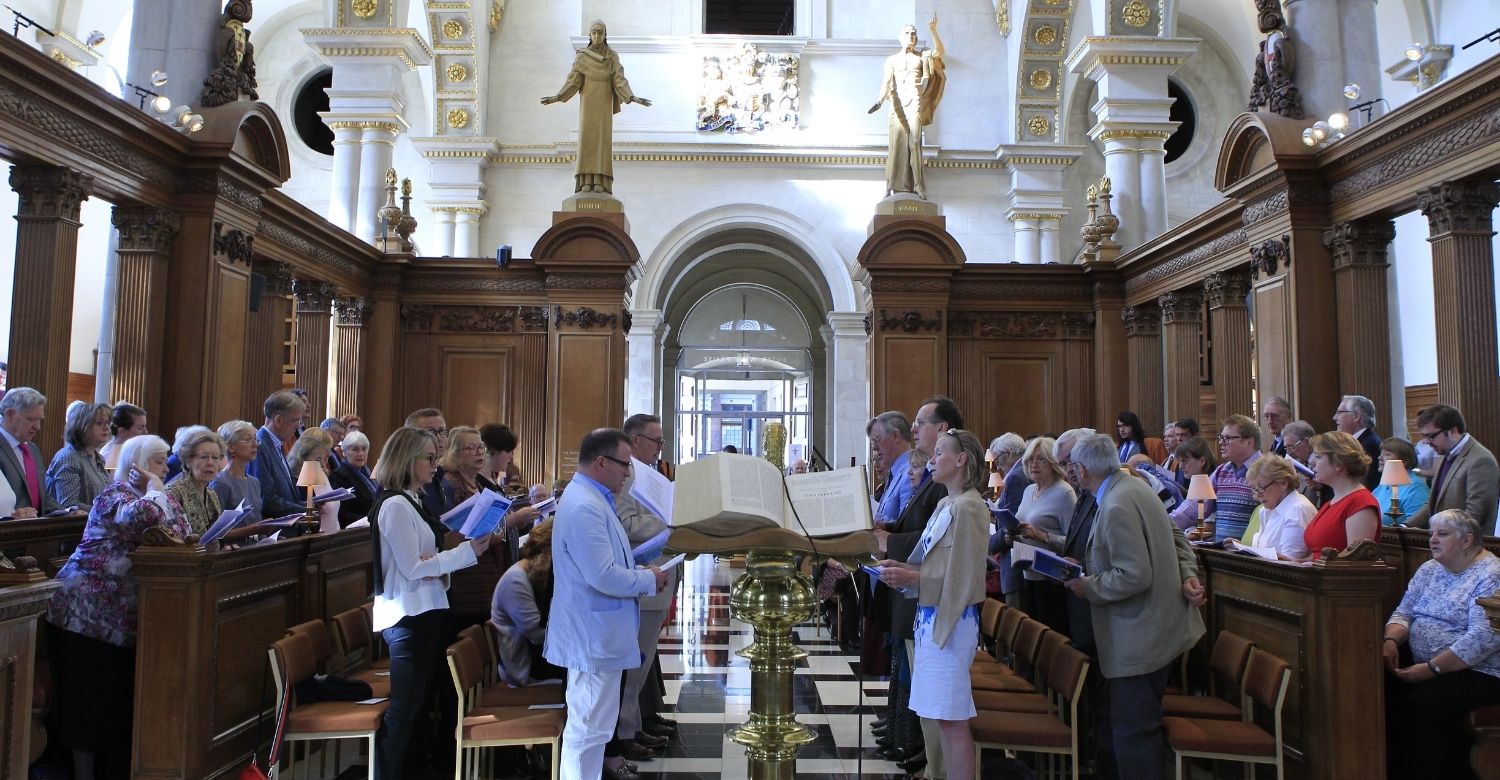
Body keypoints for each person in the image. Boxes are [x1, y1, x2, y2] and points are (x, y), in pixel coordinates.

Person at [46, 434, 190, 780]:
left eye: (165, 462)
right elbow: (140, 519)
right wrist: (156, 488)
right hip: (86, 613)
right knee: (88, 700)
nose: (164, 469)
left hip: (120, 616)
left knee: (112, 699)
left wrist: (158, 491)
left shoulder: (156, 497)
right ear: (136, 464)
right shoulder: (115, 494)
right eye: (157, 462)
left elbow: (181, 529)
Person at [1063, 433, 1205, 780]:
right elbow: (1176, 538)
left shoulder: (1116, 503)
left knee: (1134, 733)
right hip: (1152, 631)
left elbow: (1134, 575)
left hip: (1139, 638)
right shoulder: (1134, 487)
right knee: (1125, 727)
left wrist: (1087, 586)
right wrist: (1187, 573)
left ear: (1082, 470)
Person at [369, 426, 492, 780]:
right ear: (407, 460)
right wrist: (465, 553)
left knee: (419, 705)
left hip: (427, 608)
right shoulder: (394, 505)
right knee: (405, 708)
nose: (435, 465)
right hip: (408, 614)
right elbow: (412, 567)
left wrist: (461, 552)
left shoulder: (412, 499)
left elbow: (428, 557)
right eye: (428, 457)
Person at [543, 428, 665, 780]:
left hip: (599, 632)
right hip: (591, 635)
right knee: (588, 728)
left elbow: (606, 564)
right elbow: (602, 576)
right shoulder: (583, 505)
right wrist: (646, 579)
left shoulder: (594, 498)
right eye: (624, 465)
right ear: (601, 462)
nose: (628, 473)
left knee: (595, 727)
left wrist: (639, 567)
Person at [876, 428, 989, 780]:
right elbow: (931, 562)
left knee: (952, 720)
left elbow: (965, 578)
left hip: (952, 623)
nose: (932, 459)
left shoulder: (970, 507)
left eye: (940, 453)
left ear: (961, 460)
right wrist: (901, 567)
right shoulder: (945, 503)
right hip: (929, 618)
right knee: (939, 715)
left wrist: (913, 579)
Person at [880, 394, 963, 776]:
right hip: (918, 596)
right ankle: (932, 765)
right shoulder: (934, 480)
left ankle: (937, 769)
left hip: (933, 603)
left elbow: (943, 553)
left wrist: (886, 541)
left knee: (936, 700)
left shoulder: (956, 495)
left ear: (943, 430)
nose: (914, 429)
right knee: (924, 694)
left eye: (920, 422)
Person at [1384, 509, 1500, 780]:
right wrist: (1390, 640)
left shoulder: (1491, 574)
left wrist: (1431, 669)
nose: (1432, 540)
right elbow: (1404, 612)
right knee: (1372, 683)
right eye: (1431, 533)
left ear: (1467, 540)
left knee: (1423, 704)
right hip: (1427, 661)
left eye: (1442, 534)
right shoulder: (1430, 568)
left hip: (1481, 670)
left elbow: (1484, 638)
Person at [613, 413, 678, 759]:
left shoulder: (648, 473)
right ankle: (626, 733)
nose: (660, 447)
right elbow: (626, 523)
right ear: (635, 440)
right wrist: (670, 523)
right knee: (634, 664)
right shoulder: (626, 475)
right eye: (656, 441)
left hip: (659, 571)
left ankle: (636, 724)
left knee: (644, 660)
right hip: (642, 574)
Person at [540, 20, 652, 195]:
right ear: (590, 36)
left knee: (602, 143)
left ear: (605, 35)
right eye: (594, 32)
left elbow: (619, 79)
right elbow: (574, 80)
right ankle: (585, 180)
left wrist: (633, 97)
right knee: (587, 142)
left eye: (600, 32)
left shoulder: (612, 56)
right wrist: (558, 97)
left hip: (603, 106)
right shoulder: (582, 56)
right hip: (588, 105)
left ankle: (601, 181)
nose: (597, 35)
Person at [868, 16, 946, 199]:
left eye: (913, 33)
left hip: (915, 103)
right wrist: (879, 101)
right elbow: (886, 83)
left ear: (916, 38)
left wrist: (933, 30)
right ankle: (889, 186)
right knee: (895, 146)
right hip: (897, 105)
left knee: (915, 143)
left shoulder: (922, 57)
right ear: (900, 37)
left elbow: (939, 52)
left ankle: (919, 185)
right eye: (907, 33)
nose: (911, 36)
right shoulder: (892, 60)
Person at [1012, 436, 1076, 634]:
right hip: (1026, 572)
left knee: (1051, 638)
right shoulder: (1029, 490)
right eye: (1030, 459)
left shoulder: (1064, 493)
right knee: (1031, 638)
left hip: (1051, 580)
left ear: (1054, 462)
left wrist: (1043, 536)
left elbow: (1075, 543)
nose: (1034, 464)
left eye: (1041, 459)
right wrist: (1014, 536)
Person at [490, 519, 564, 686]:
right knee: (588, 672)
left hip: (539, 656)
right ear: (548, 549)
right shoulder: (515, 580)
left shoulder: (535, 572)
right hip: (525, 666)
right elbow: (537, 635)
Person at [1409, 404, 1499, 533]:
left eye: (1431, 436)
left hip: (1466, 546)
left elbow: (1475, 514)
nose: (1427, 442)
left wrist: (1442, 535)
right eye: (1425, 436)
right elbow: (1432, 503)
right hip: (1444, 542)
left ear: (1452, 431)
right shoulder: (1443, 454)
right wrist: (1406, 526)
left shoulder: (1481, 460)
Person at [1301, 431, 1380, 559]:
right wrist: (1294, 562)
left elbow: (1355, 561)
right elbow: (1317, 554)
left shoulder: (1361, 503)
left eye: (1318, 457)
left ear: (1338, 464)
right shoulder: (1332, 501)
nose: (1313, 463)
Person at [1230, 454, 1313, 560]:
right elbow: (1264, 551)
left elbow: (1290, 562)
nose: (1257, 496)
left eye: (1261, 488)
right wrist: (1241, 548)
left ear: (1283, 483)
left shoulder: (1297, 509)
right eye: (1254, 489)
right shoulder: (1266, 509)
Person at [987, 431, 1030, 610]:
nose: (998, 466)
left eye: (998, 460)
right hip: (1018, 559)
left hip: (1015, 561)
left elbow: (1012, 525)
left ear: (1009, 454)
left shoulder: (1016, 476)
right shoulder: (1021, 471)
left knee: (1018, 623)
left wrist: (989, 545)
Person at [0, 387, 59, 515]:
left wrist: (66, 513)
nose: (37, 426)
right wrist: (11, 514)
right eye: (31, 419)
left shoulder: (33, 449)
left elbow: (41, 496)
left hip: (36, 531)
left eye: (39, 420)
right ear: (10, 414)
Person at [251, 390, 307, 523]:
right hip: (276, 535)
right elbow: (267, 500)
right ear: (278, 420)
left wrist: (306, 505)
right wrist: (306, 510)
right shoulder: (259, 447)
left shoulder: (277, 445)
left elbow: (287, 496)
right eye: (295, 420)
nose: (298, 426)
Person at [45, 401, 111, 510]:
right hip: (72, 525)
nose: (106, 428)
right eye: (99, 423)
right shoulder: (69, 457)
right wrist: (106, 511)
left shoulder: (99, 458)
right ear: (82, 426)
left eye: (107, 423)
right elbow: (69, 505)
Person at [1209, 414, 1262, 541]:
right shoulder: (1221, 471)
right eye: (1221, 437)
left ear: (1249, 442)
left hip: (1249, 555)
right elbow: (1195, 505)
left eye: (1227, 438)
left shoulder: (1266, 471)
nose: (1221, 443)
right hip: (1221, 552)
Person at [164, 427, 225, 535]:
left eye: (215, 458)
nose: (210, 463)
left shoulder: (212, 494)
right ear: (188, 461)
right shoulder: (173, 493)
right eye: (203, 457)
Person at [211, 420, 265, 527]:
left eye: (255, 439)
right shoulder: (221, 483)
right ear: (231, 447)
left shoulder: (254, 482)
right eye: (248, 439)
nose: (255, 445)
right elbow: (216, 532)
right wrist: (255, 530)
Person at [869, 411, 915, 525]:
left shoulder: (911, 472)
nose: (874, 447)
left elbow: (905, 526)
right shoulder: (894, 473)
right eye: (872, 442)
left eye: (877, 440)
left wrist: (868, 514)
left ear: (895, 436)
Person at [328, 429, 379, 527]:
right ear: (344, 452)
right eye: (355, 449)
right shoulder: (339, 476)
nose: (361, 453)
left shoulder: (368, 474)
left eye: (364, 449)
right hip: (355, 533)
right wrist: (370, 520)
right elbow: (342, 514)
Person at [1373, 437, 1430, 525]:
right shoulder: (1384, 484)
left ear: (1404, 461)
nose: (1379, 458)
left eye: (1387, 454)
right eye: (1381, 454)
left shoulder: (1415, 488)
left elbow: (1417, 527)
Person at [1167, 436, 1218, 531]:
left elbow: (1185, 514)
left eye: (1185, 461)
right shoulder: (1199, 481)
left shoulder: (1210, 481)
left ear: (1202, 461)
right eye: (1180, 462)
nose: (1181, 467)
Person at [1333, 394, 1383, 490]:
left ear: (1356, 416)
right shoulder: (1360, 441)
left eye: (1339, 412)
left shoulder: (1368, 445)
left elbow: (1366, 483)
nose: (1335, 417)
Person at [99, 401, 147, 471]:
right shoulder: (108, 458)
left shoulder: (133, 450)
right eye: (140, 428)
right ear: (122, 431)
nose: (146, 432)